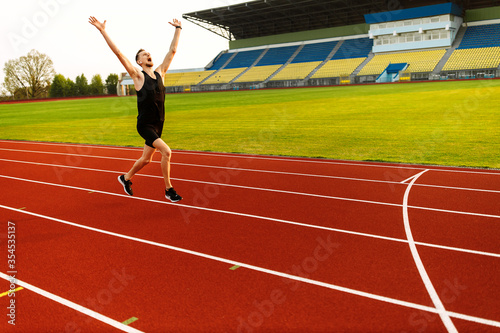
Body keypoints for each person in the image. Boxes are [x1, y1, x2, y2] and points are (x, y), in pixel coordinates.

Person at [89, 16, 182, 202]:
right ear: (139, 62)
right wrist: (103, 30)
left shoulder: (160, 73)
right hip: (145, 125)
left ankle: (125, 178)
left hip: (159, 124)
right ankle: (168, 189)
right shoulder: (137, 76)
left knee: (146, 159)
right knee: (167, 152)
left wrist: (178, 29)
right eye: (144, 54)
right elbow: (119, 53)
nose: (148, 55)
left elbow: (172, 51)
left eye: (149, 53)